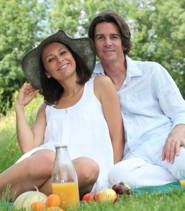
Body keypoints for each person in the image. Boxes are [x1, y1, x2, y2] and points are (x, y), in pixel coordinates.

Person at [0, 30, 124, 199]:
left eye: (63, 52)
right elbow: (29, 149)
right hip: (46, 165)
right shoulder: (47, 107)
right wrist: (19, 108)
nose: (59, 60)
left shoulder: (100, 84)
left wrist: (115, 175)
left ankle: (23, 196)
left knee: (87, 168)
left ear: (73, 57)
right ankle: (27, 197)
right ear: (47, 73)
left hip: (85, 171)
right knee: (47, 157)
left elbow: (117, 135)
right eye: (51, 59)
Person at [88, 10, 185, 188]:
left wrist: (178, 132)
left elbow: (180, 111)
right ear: (94, 45)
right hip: (133, 156)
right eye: (100, 38)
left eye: (114, 37)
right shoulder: (89, 81)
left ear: (124, 43)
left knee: (182, 163)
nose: (107, 43)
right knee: (116, 176)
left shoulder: (151, 71)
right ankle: (174, 181)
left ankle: (176, 175)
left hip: (164, 143)